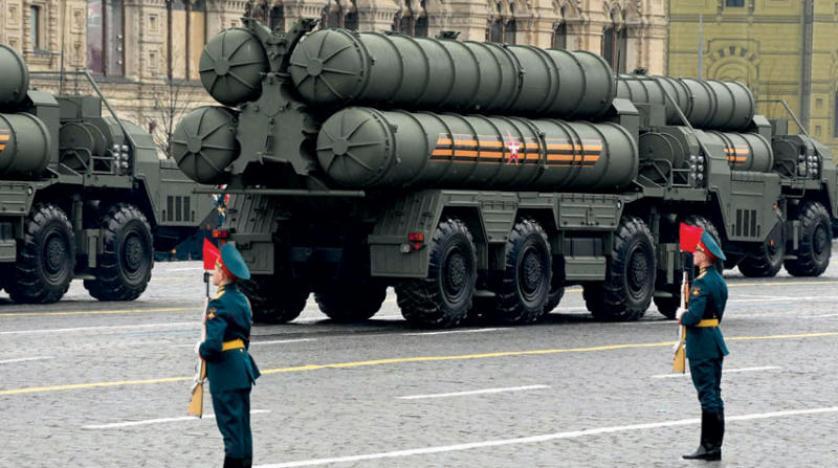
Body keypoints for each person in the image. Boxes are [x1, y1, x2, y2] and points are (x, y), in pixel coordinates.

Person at [199, 243, 260, 468]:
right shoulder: (242, 300)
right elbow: (244, 337)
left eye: (215, 269)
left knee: (231, 433)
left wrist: (200, 349)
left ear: (223, 273)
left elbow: (213, 345)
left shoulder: (220, 303)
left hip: (225, 374)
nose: (213, 273)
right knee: (243, 430)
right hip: (241, 369)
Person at [677, 230, 729, 461]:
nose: (694, 254)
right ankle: (712, 446)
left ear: (706, 255)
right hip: (714, 340)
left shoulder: (701, 283)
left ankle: (709, 447)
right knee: (714, 394)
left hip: (702, 345)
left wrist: (683, 314)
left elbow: (695, 316)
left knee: (707, 395)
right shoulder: (718, 281)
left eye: (697, 250)